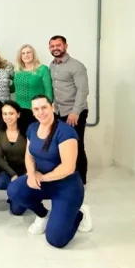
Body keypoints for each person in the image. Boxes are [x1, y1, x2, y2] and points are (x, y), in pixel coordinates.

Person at [6, 95, 93, 248]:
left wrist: (42, 178)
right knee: (14, 190)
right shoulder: (32, 128)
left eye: (44, 107)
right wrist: (31, 174)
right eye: (36, 109)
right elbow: (29, 155)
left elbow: (68, 167)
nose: (41, 112)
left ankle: (79, 213)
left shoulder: (66, 132)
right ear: (33, 112)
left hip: (66, 186)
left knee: (56, 239)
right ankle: (43, 215)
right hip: (43, 181)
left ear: (52, 107)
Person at [48, 35, 90, 185]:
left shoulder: (77, 66)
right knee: (62, 146)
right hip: (59, 111)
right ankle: (66, 175)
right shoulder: (52, 65)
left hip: (74, 112)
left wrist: (75, 112)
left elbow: (83, 90)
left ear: (65, 46)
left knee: (76, 145)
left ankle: (81, 180)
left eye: (58, 45)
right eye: (52, 46)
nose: (55, 48)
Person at [0, 100, 28, 215]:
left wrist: (27, 174)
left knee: (16, 211)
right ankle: (16, 192)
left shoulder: (27, 131)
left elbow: (33, 155)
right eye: (5, 114)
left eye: (11, 113)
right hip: (10, 170)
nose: (7, 117)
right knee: (0, 182)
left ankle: (21, 193)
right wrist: (13, 174)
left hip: (26, 170)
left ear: (18, 114)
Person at [12, 44, 52, 128]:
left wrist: (47, 108)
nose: (26, 55)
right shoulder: (17, 70)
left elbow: (48, 90)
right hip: (19, 110)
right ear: (20, 56)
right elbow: (13, 88)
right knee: (23, 133)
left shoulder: (42, 69)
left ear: (33, 54)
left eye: (28, 52)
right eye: (23, 53)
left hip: (37, 110)